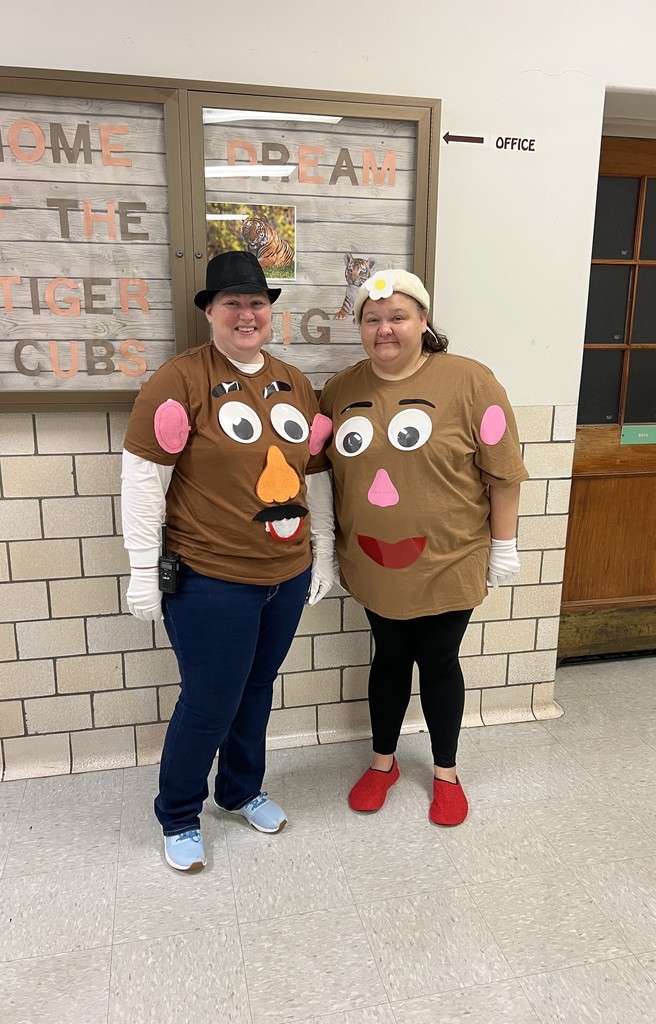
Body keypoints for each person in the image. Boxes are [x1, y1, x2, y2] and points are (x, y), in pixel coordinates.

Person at [121, 250, 336, 871]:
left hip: (287, 574)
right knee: (211, 699)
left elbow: (314, 474)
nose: (247, 314)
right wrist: (141, 568)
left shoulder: (295, 381)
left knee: (257, 690)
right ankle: (180, 812)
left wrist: (322, 553)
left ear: (270, 313)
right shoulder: (179, 380)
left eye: (257, 303)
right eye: (233, 303)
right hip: (210, 577)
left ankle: (240, 789)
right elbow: (142, 478)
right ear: (210, 313)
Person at [318, 269, 528, 827]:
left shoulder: (469, 382)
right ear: (359, 327)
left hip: (450, 557)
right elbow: (321, 473)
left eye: (397, 317)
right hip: (371, 557)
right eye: (372, 319)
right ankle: (383, 762)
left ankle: (445, 773)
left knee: (437, 659)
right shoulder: (341, 390)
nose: (384, 329)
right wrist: (323, 549)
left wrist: (503, 546)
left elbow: (504, 474)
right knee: (388, 657)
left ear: (423, 321)